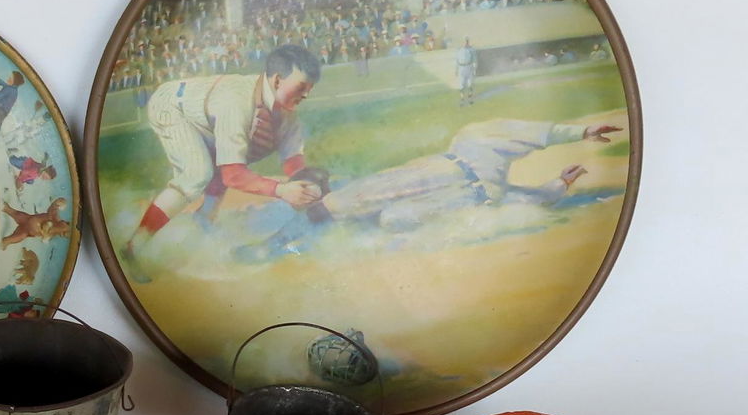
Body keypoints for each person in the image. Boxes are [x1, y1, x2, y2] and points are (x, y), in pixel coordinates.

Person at [237, 118, 623, 259]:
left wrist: (559, 183)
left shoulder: (488, 167)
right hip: (439, 173)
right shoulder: (474, 139)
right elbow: (532, 149)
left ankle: (292, 247)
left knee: (386, 219)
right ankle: (275, 245)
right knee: (351, 203)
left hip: (455, 191)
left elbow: (521, 199)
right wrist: (574, 143)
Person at [120, 44, 322, 277]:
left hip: (207, 118)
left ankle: (201, 233)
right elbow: (233, 174)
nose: (307, 94)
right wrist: (282, 190)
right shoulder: (237, 102)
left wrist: (306, 186)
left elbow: (293, 160)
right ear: (277, 80)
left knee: (220, 172)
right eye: (302, 86)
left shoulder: (286, 114)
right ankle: (133, 247)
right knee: (197, 175)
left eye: (310, 88)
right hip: (173, 106)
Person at [456, 38, 477, 106]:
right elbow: (457, 61)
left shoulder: (471, 50)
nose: (465, 43)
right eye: (463, 42)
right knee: (461, 84)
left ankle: (470, 99)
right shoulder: (459, 50)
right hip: (461, 68)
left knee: (470, 84)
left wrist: (474, 69)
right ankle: (462, 100)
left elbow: (474, 60)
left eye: (466, 42)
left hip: (469, 67)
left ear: (468, 43)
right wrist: (456, 70)